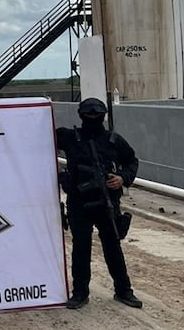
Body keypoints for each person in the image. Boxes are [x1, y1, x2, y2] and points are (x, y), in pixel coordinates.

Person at [56, 98, 142, 310]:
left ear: (103, 116)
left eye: (97, 115)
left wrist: (122, 178)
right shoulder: (69, 138)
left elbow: (132, 161)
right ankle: (80, 293)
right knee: (81, 248)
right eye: (89, 115)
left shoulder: (114, 141)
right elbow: (36, 132)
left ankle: (124, 291)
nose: (93, 118)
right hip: (79, 203)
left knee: (113, 248)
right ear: (81, 115)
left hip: (107, 203)